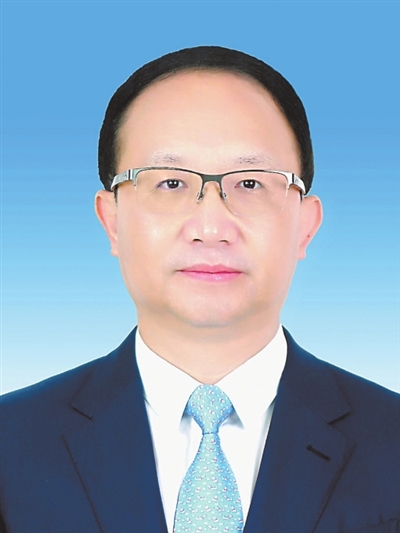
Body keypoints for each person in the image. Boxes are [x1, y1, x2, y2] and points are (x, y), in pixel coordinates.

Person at [0, 46, 399, 533]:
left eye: (250, 183)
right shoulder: (10, 444)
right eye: (170, 183)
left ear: (306, 226)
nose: (211, 228)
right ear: (112, 221)